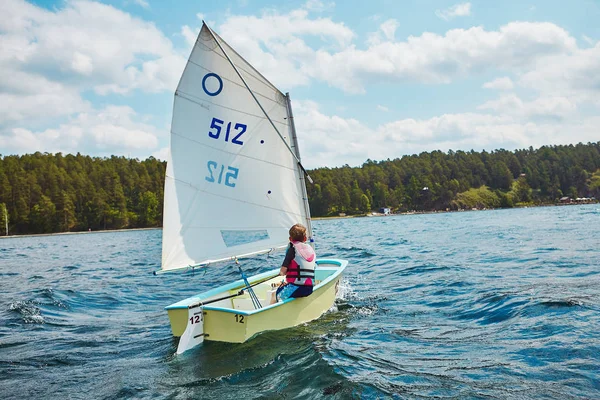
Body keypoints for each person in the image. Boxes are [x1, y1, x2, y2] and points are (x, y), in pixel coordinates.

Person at [271, 223, 316, 304]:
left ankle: (270, 314)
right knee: (286, 286)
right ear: (305, 238)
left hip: (297, 288)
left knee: (275, 295)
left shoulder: (292, 249)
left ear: (290, 239)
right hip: (309, 289)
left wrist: (281, 273)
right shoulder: (310, 249)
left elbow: (283, 272)